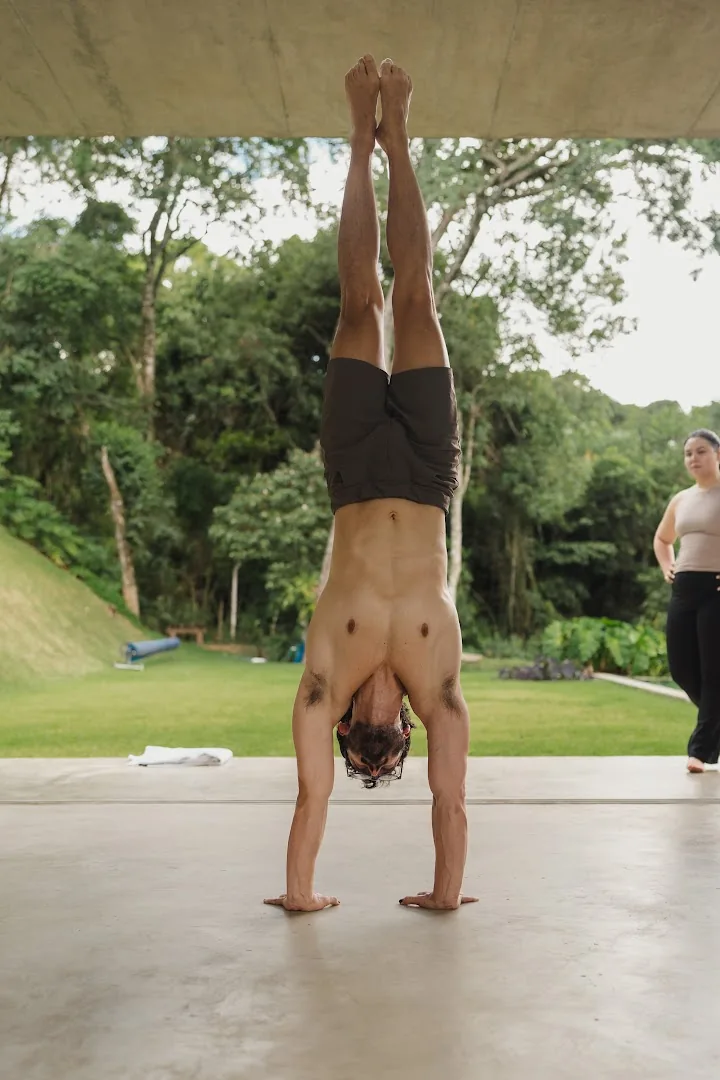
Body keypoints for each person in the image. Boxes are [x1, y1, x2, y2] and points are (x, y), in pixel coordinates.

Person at [264, 56, 477, 913]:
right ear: (407, 730)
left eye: (373, 745)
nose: (387, 735)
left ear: (352, 725)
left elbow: (312, 796)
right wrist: (445, 891)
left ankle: (362, 139)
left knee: (362, 305)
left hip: (353, 472)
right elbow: (452, 800)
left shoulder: (324, 678)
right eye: (395, 746)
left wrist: (300, 894)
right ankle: (404, 137)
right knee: (416, 302)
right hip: (427, 474)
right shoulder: (441, 685)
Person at [653, 428, 720, 773]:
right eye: (688, 453)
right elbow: (662, 539)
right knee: (681, 668)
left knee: (713, 672)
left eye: (702, 451)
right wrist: (667, 566)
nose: (694, 458)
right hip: (684, 590)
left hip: (716, 592)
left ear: (717, 455)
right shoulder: (681, 499)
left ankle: (700, 751)